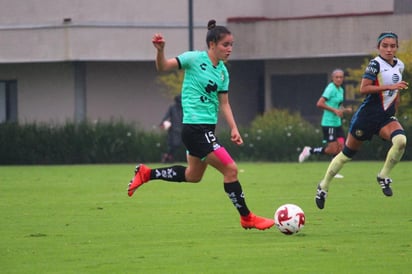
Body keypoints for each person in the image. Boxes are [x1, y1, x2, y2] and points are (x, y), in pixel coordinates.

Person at [127, 19, 274, 230]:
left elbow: (224, 103)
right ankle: (247, 217)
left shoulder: (223, 72)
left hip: (206, 130)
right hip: (195, 129)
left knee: (193, 176)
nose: (230, 49)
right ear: (212, 44)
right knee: (231, 170)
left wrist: (234, 127)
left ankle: (147, 173)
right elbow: (163, 66)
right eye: (226, 44)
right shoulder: (194, 58)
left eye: (232, 44)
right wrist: (160, 51)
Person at [315, 32, 409, 209]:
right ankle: (323, 186)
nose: (389, 49)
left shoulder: (400, 65)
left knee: (401, 141)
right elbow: (363, 89)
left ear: (397, 47)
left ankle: (383, 176)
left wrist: (394, 107)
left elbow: (394, 93)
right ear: (378, 47)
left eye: (393, 46)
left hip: (385, 118)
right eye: (385, 46)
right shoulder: (375, 65)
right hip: (366, 118)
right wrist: (389, 86)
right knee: (346, 155)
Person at [299, 69, 353, 179]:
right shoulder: (330, 88)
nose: (339, 79)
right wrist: (334, 111)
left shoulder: (341, 90)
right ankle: (309, 151)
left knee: (341, 148)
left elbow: (338, 106)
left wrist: (344, 110)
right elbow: (320, 103)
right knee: (332, 149)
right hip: (329, 123)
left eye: (341, 77)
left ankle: (334, 171)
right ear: (333, 78)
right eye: (336, 77)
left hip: (337, 123)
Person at [159, 95, 183, 163]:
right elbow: (167, 115)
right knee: (174, 144)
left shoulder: (183, 108)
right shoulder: (172, 107)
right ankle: (168, 157)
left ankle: (167, 156)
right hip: (173, 130)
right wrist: (162, 123)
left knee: (177, 145)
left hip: (182, 128)